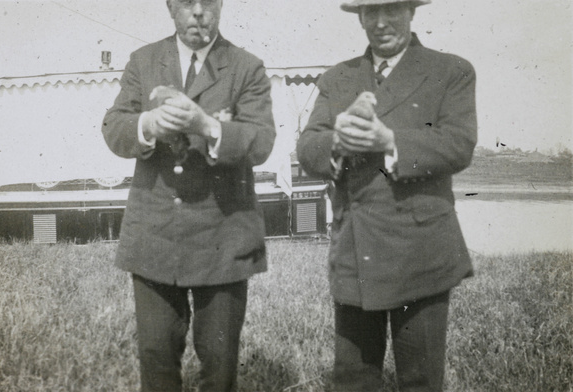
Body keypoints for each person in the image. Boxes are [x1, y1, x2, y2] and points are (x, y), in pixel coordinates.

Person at [297, 0, 477, 390]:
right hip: (354, 252)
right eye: (369, 12)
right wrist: (336, 141)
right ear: (359, 17)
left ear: (412, 11)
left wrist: (390, 140)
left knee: (420, 380)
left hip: (422, 252)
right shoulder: (337, 78)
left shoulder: (450, 71)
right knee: (352, 379)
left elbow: (459, 144)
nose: (380, 22)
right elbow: (308, 149)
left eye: (392, 9)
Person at [101, 0, 275, 390]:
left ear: (221, 6)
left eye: (208, 2)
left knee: (219, 364)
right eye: (187, 2)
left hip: (223, 238)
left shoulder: (247, 66)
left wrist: (209, 126)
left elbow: (262, 141)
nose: (198, 12)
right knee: (157, 360)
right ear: (170, 8)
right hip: (155, 238)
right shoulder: (144, 61)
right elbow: (114, 127)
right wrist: (147, 124)